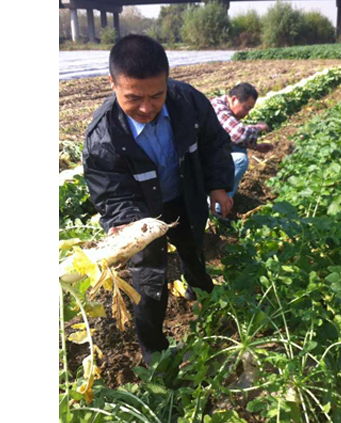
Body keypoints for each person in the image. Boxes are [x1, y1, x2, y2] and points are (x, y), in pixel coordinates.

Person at [82, 34, 235, 365]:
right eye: (133, 97)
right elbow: (110, 190)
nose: (146, 107)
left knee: (193, 248)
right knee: (149, 281)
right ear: (112, 84)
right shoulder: (103, 137)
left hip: (185, 197)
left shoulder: (188, 102)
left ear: (167, 81)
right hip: (141, 215)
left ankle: (202, 293)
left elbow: (214, 143)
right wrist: (125, 223)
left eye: (156, 95)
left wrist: (218, 185)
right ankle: (155, 353)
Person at [211, 83, 274, 213]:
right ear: (234, 99)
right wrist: (259, 127)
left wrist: (256, 147)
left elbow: (232, 138)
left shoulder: (226, 107)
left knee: (240, 150)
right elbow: (239, 134)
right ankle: (216, 207)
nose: (246, 114)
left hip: (211, 151)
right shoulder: (218, 107)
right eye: (246, 108)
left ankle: (221, 196)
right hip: (198, 158)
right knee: (240, 160)